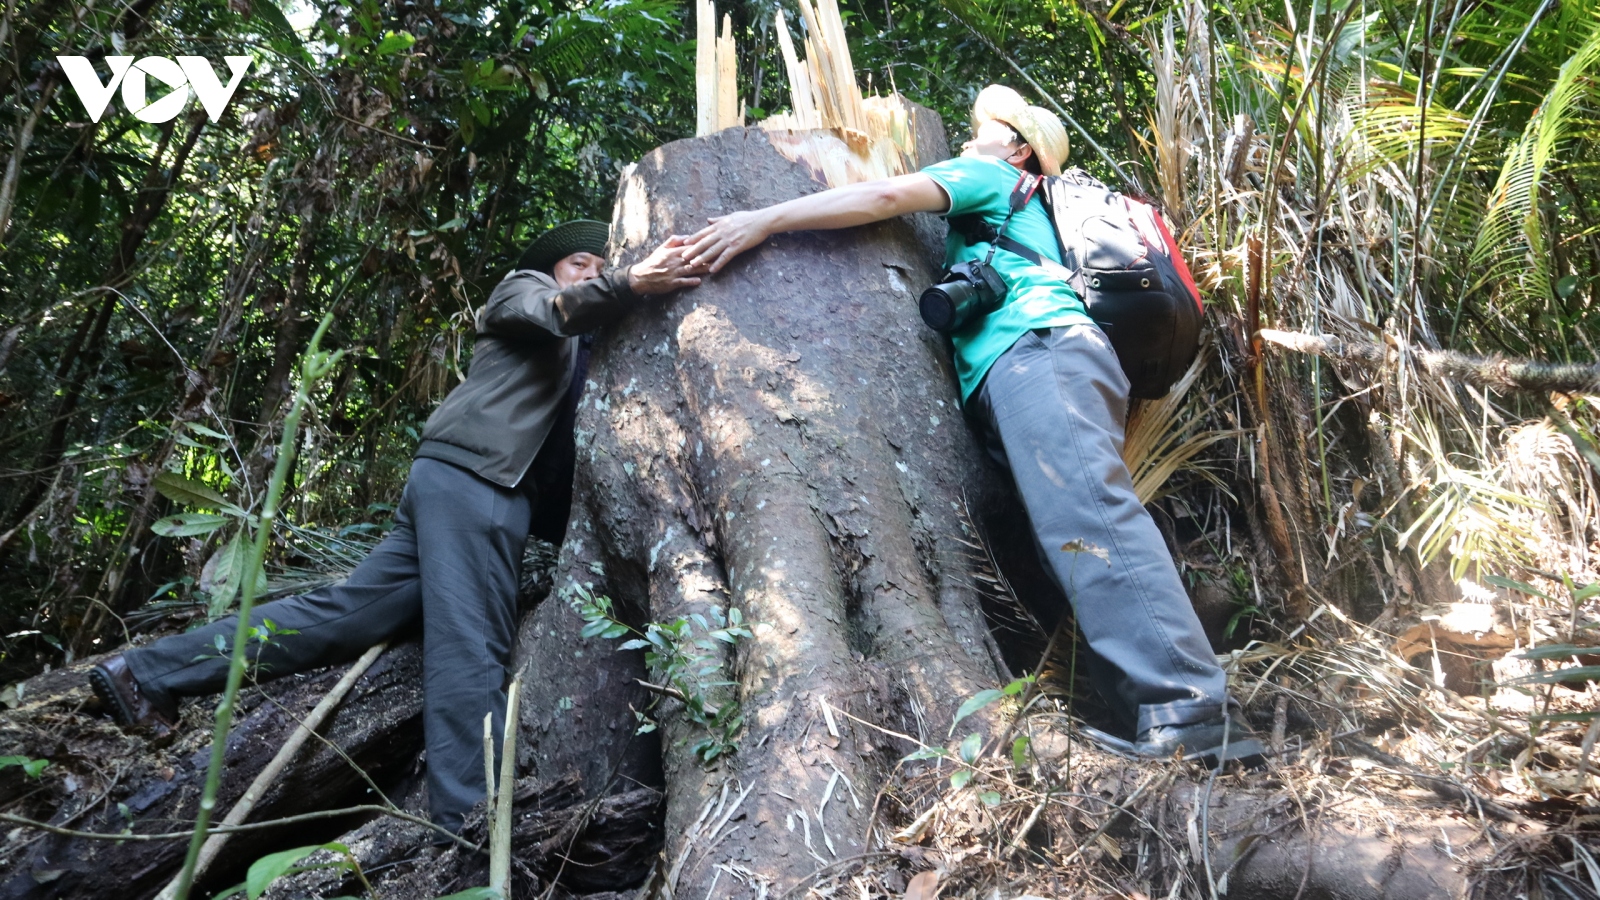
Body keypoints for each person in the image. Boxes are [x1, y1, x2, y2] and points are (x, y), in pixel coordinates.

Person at [682, 85, 1261, 764]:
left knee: (1091, 515)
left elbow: (880, 198)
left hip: (1040, 348)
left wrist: (762, 220)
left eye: (981, 129)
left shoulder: (992, 177)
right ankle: (1160, 715)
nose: (965, 138)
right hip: (1046, 358)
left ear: (1018, 148)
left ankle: (1190, 712)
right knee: (1075, 524)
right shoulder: (1022, 205)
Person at [90, 221, 703, 831]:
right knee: (472, 647)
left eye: (604, 263)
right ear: (552, 269)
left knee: (344, 614)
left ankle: (145, 673)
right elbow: (553, 309)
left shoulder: (595, 357)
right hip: (479, 483)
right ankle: (469, 825)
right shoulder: (523, 291)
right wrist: (628, 280)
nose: (592, 271)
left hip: (459, 485)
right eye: (579, 262)